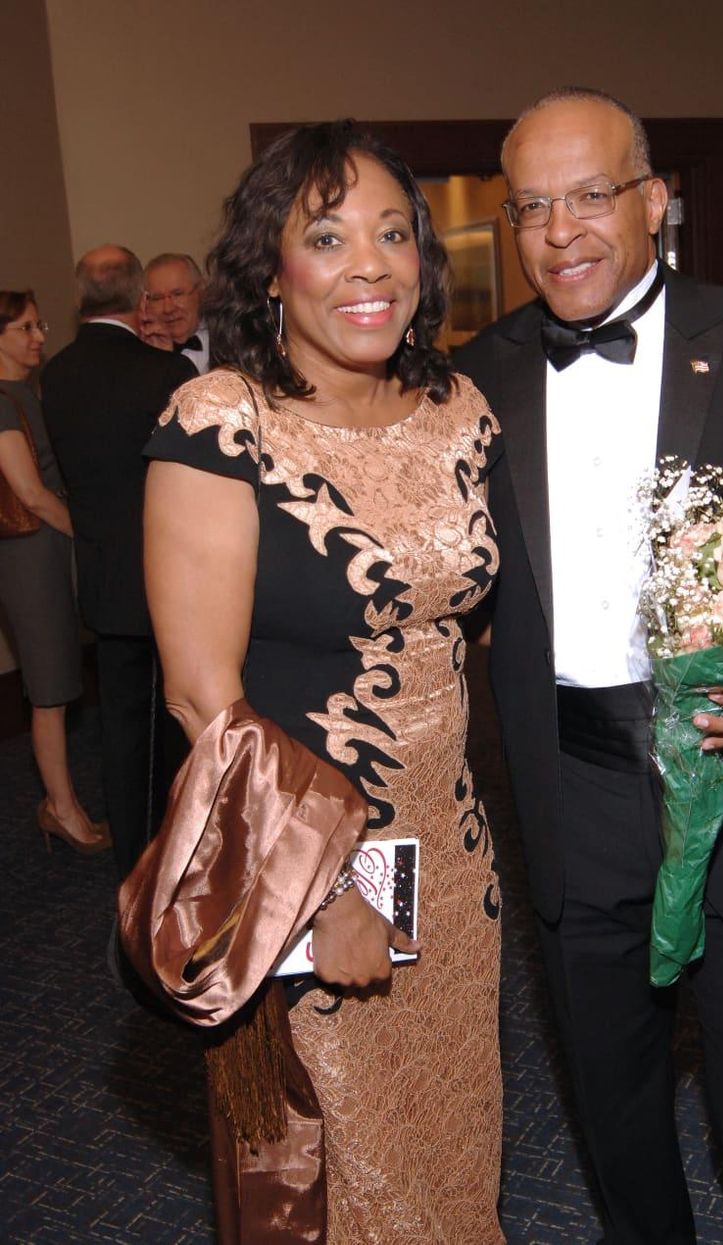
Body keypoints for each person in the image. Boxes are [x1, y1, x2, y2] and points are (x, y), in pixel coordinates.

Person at [456, 88, 723, 1245]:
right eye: (530, 206)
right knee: (609, 1088)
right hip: (573, 787)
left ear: (653, 202)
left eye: (588, 196)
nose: (559, 231)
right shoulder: (475, 378)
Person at [131, 122, 503, 1242]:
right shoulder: (220, 423)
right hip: (308, 865)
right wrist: (326, 892)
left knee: (451, 1137)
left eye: (393, 234)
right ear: (272, 268)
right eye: (327, 236)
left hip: (455, 859)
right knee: (332, 1166)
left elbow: (479, 628)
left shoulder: (461, 412)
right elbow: (202, 697)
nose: (368, 264)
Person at [42, 247, 196, 878]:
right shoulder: (165, 372)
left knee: (121, 729)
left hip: (103, 577)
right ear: (138, 299)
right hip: (169, 577)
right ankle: (178, 855)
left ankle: (133, 857)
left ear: (81, 299)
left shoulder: (55, 374)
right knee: (178, 727)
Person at [0, 291, 107, 854]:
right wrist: (88, 538)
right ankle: (61, 810)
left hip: (45, 550)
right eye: (24, 327)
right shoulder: (1, 399)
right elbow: (32, 496)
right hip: (29, 555)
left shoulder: (24, 393)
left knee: (60, 680)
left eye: (39, 323)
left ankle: (61, 803)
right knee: (49, 688)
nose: (39, 335)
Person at [144, 253, 210, 371]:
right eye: (157, 298)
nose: (168, 309)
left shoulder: (228, 341)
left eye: (177, 294)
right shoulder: (139, 355)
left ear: (201, 292)